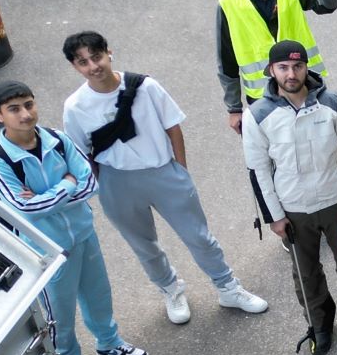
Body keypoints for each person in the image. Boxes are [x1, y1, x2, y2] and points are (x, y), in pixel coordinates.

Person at [61, 30, 268, 325]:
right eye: (83, 62)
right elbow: (80, 153)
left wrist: (180, 170)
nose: (93, 66)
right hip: (116, 181)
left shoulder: (146, 87)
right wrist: (102, 186)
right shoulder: (75, 106)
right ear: (75, 67)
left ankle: (228, 287)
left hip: (163, 172)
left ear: (109, 52)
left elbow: (173, 126)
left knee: (198, 236)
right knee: (143, 245)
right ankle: (170, 288)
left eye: (96, 57)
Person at [0, 80, 148, 355]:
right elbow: (26, 208)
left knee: (99, 295)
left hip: (84, 234)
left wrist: (54, 193)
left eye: (29, 104)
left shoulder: (56, 139)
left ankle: (109, 343)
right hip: (46, 252)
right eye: (14, 109)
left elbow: (89, 185)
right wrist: (67, 184)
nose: (25, 114)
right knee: (59, 313)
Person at [242, 40, 337, 355]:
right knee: (306, 272)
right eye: (283, 67)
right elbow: (258, 170)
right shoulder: (257, 115)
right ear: (272, 71)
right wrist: (275, 217)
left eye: (297, 66)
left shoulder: (333, 102)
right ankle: (320, 326)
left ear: (306, 67)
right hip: (293, 209)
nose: (291, 73)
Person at [216, 0, 337, 131]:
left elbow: (326, 6)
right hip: (263, 99)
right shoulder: (229, 2)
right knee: (271, 155)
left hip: (304, 89)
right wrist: (234, 108)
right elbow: (226, 60)